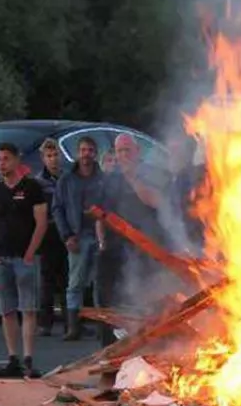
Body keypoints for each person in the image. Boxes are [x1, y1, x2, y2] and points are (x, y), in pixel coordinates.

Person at [0, 143, 49, 377]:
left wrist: (31, 252)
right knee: (7, 310)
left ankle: (29, 359)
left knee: (28, 309)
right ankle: (13, 358)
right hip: (2, 257)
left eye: (6, 159)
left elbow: (41, 223)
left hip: (25, 257)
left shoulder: (32, 188)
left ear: (17, 160)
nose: (1, 164)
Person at [97, 133, 165, 346]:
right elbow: (99, 212)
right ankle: (110, 350)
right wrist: (101, 242)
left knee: (146, 298)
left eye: (127, 150)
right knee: (110, 300)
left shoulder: (152, 174)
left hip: (145, 248)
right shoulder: (110, 180)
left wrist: (133, 178)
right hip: (115, 247)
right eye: (120, 151)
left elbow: (158, 203)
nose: (123, 155)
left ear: (137, 152)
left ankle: (146, 346)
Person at [53, 135, 106, 341]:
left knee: (99, 283)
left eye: (90, 150)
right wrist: (66, 235)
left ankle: (103, 326)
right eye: (83, 150)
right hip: (77, 236)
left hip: (99, 234)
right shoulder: (67, 179)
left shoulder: (103, 179)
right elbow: (57, 208)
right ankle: (73, 326)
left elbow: (110, 205)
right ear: (78, 153)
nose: (86, 154)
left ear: (95, 154)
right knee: (75, 283)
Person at [35, 138, 68, 336]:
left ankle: (70, 322)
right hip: (48, 234)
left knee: (67, 280)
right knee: (46, 280)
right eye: (49, 156)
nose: (53, 159)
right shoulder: (38, 182)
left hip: (65, 233)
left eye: (55, 155)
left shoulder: (67, 178)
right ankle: (44, 323)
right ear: (43, 158)